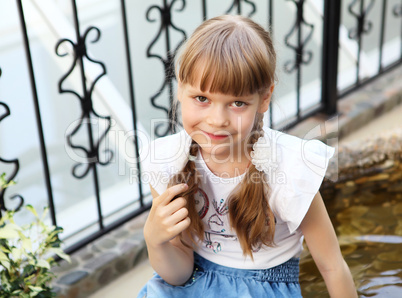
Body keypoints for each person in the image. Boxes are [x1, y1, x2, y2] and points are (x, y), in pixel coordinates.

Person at [138, 15, 356, 297]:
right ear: (180, 88)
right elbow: (179, 275)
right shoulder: (168, 161)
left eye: (237, 103)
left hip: (261, 288)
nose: (217, 120)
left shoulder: (287, 170)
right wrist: (155, 241)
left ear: (264, 99)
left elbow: (332, 266)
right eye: (202, 98)